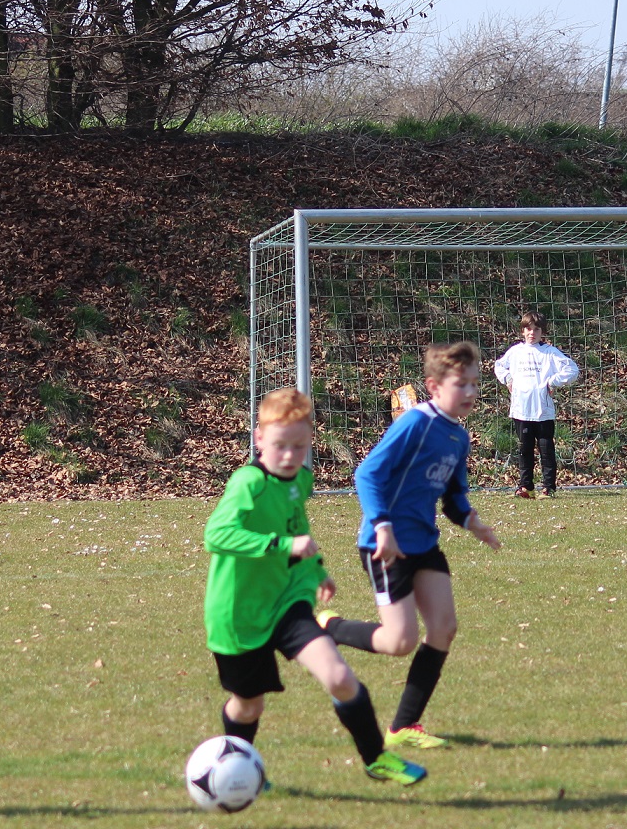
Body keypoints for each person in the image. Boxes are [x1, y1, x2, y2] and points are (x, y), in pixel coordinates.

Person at [204, 386, 425, 786]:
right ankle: (234, 767)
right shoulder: (247, 483)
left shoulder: (300, 480)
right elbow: (217, 535)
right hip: (239, 614)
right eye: (280, 446)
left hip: (288, 603)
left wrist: (316, 570)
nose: (290, 456)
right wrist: (282, 546)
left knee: (339, 677)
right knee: (248, 706)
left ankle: (376, 758)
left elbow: (296, 526)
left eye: (299, 447)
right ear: (258, 439)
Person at [315, 341, 502, 750]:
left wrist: (474, 523)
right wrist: (382, 527)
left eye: (474, 384)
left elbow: (453, 498)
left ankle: (404, 726)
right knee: (399, 642)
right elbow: (366, 475)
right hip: (386, 545)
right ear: (434, 386)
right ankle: (329, 627)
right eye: (461, 384)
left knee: (443, 629)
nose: (470, 393)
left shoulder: (457, 436)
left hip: (424, 546)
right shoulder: (415, 424)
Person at [494, 310, 579, 498]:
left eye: (536, 329)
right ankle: (526, 487)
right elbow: (499, 366)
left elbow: (572, 369)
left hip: (543, 411)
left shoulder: (549, 352)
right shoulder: (515, 351)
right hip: (521, 410)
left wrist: (553, 382)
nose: (532, 333)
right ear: (523, 331)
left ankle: (548, 487)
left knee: (546, 449)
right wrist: (508, 379)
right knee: (524, 450)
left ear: (542, 332)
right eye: (528, 329)